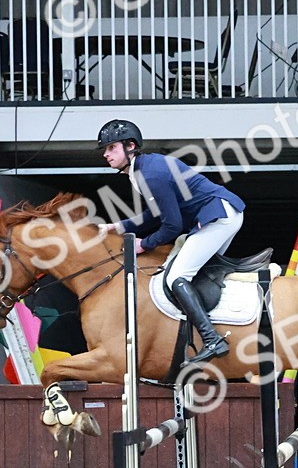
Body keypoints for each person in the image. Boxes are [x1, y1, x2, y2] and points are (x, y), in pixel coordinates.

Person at [96, 119, 246, 365]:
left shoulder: (150, 173)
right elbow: (155, 214)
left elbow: (172, 226)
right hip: (222, 214)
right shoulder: (142, 169)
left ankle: (212, 339)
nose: (105, 154)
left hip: (218, 217)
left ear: (130, 146)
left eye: (111, 148)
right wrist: (116, 227)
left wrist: (145, 244)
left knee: (177, 276)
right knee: (194, 274)